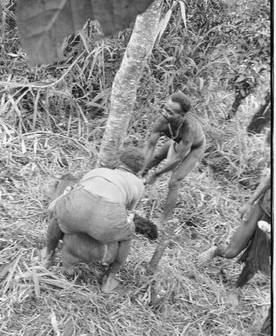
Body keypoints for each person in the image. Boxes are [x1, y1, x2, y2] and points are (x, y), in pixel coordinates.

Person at [45, 146, 145, 292]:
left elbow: (79, 188)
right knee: (128, 232)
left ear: (118, 162)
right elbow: (128, 212)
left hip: (80, 204)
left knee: (59, 211)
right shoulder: (138, 184)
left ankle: (48, 255)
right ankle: (109, 277)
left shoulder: (98, 171)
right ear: (139, 171)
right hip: (108, 215)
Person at [197, 165, 271, 287]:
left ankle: (236, 289)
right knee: (231, 252)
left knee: (255, 260)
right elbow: (267, 181)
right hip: (261, 209)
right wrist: (248, 203)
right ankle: (215, 251)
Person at [142, 91, 206, 223]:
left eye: (170, 112)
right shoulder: (162, 120)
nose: (165, 113)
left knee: (174, 182)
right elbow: (150, 146)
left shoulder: (189, 130)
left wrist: (156, 173)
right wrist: (141, 169)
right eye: (164, 109)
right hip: (177, 141)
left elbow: (177, 159)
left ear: (181, 116)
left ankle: (162, 221)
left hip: (195, 148)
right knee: (155, 159)